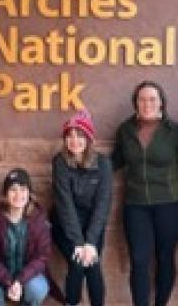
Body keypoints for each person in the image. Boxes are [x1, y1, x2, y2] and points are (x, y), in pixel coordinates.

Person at [111, 81, 178, 306]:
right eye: (142, 99)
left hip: (171, 203)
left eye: (152, 99)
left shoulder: (175, 132)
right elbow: (116, 162)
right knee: (139, 259)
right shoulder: (125, 130)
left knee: (165, 258)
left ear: (162, 102)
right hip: (136, 204)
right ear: (135, 103)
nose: (147, 104)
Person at [51, 110, 112, 306]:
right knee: (77, 263)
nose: (74, 140)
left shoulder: (103, 164)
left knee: (92, 263)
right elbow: (64, 203)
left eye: (79, 135)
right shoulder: (60, 162)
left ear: (88, 138)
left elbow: (103, 204)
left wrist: (91, 242)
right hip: (65, 223)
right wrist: (78, 242)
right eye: (69, 135)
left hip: (92, 223)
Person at [0, 168, 51, 306]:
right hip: (1, 276)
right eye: (13, 189)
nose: (18, 194)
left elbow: (43, 256)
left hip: (28, 277)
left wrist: (20, 281)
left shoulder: (38, 219)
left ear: (29, 193)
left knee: (37, 289)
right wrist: (8, 281)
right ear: (5, 195)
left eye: (23, 189)